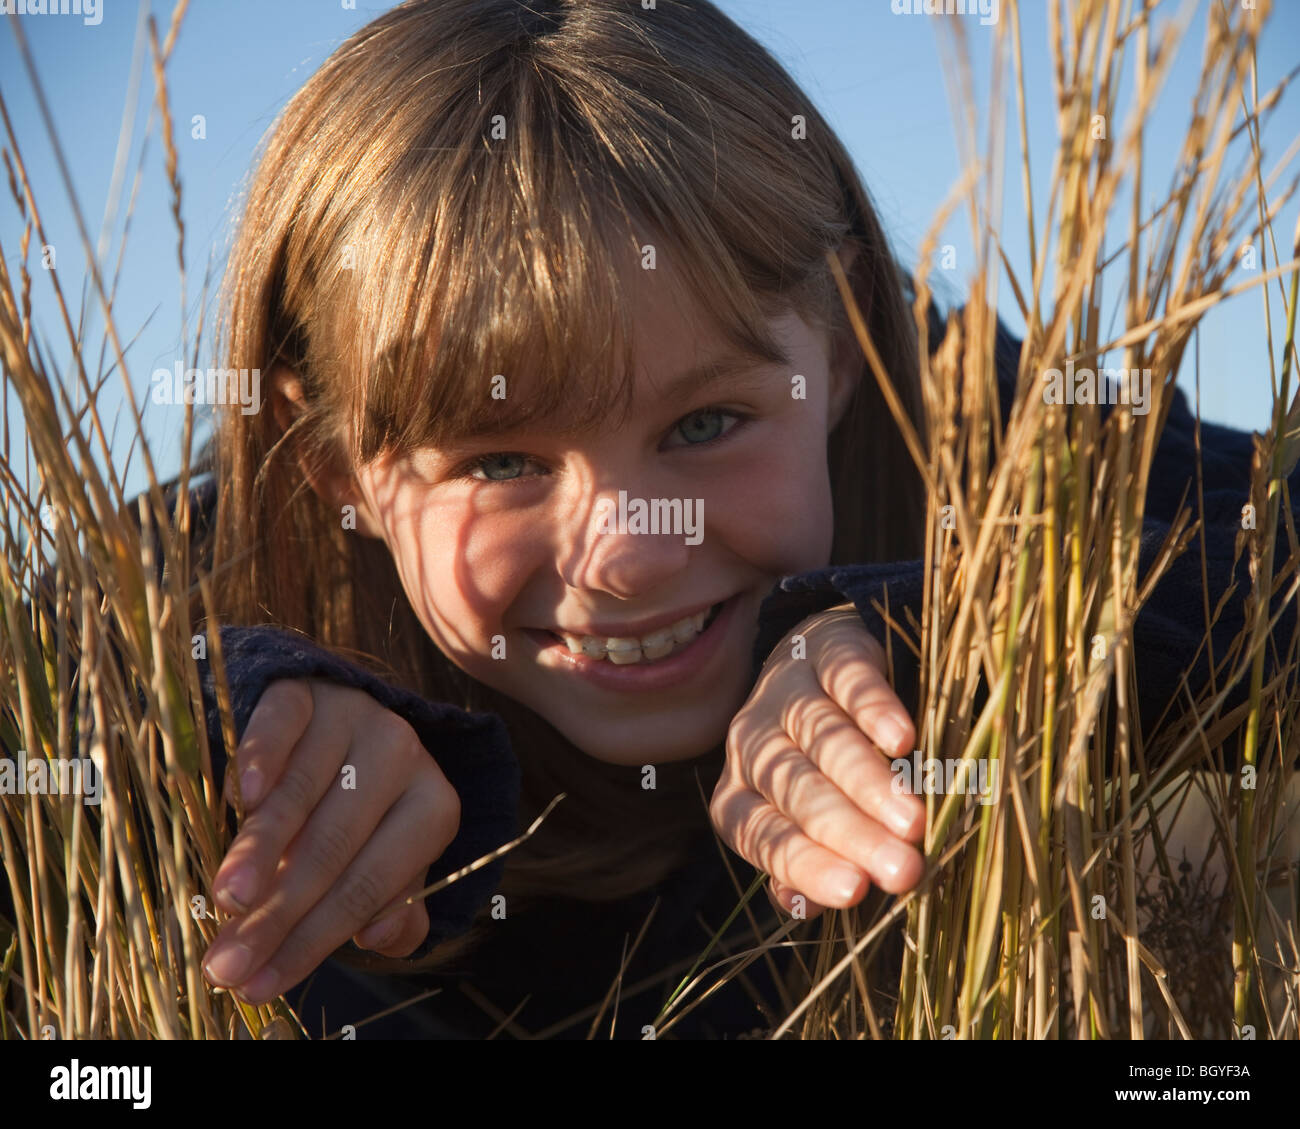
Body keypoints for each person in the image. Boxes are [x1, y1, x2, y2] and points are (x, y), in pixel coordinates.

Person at [162, 0, 1289, 1038]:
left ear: (842, 352)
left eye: (704, 424)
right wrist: (219, 711)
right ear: (336, 468)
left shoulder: (973, 424)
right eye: (500, 458)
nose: (629, 557)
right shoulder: (218, 572)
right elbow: (55, 646)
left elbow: (1268, 537)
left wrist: (933, 631)